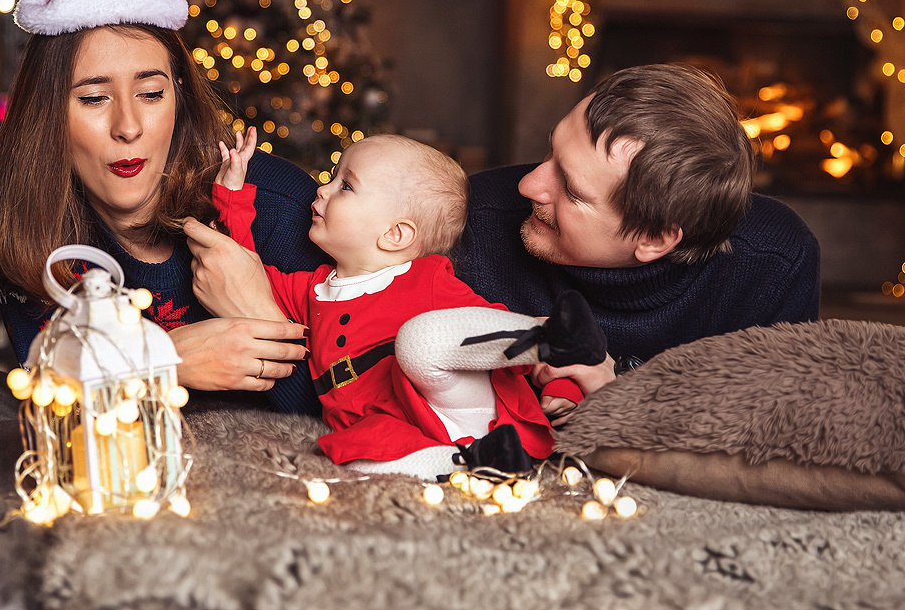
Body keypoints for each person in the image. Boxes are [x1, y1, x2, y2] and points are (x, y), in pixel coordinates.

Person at [0, 0, 326, 414]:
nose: (128, 126)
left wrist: (259, 312)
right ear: (49, 113)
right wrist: (163, 358)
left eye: (151, 93)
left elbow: (351, 428)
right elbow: (56, 409)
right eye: (95, 98)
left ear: (178, 93)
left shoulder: (281, 207)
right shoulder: (29, 231)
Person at [205, 130, 605, 478]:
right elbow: (242, 271)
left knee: (419, 341)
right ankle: (472, 464)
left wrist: (564, 385)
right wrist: (232, 196)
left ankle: (552, 335)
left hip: (459, 401)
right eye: (332, 178)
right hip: (401, 428)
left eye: (345, 186)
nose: (321, 190)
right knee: (350, 455)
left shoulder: (425, 279)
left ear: (395, 235)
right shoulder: (310, 289)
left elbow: (490, 330)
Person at [453, 63, 821, 422]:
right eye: (550, 152)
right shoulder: (467, 221)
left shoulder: (774, 261)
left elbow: (777, 430)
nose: (528, 185)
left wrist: (623, 392)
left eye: (571, 189)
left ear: (655, 238)